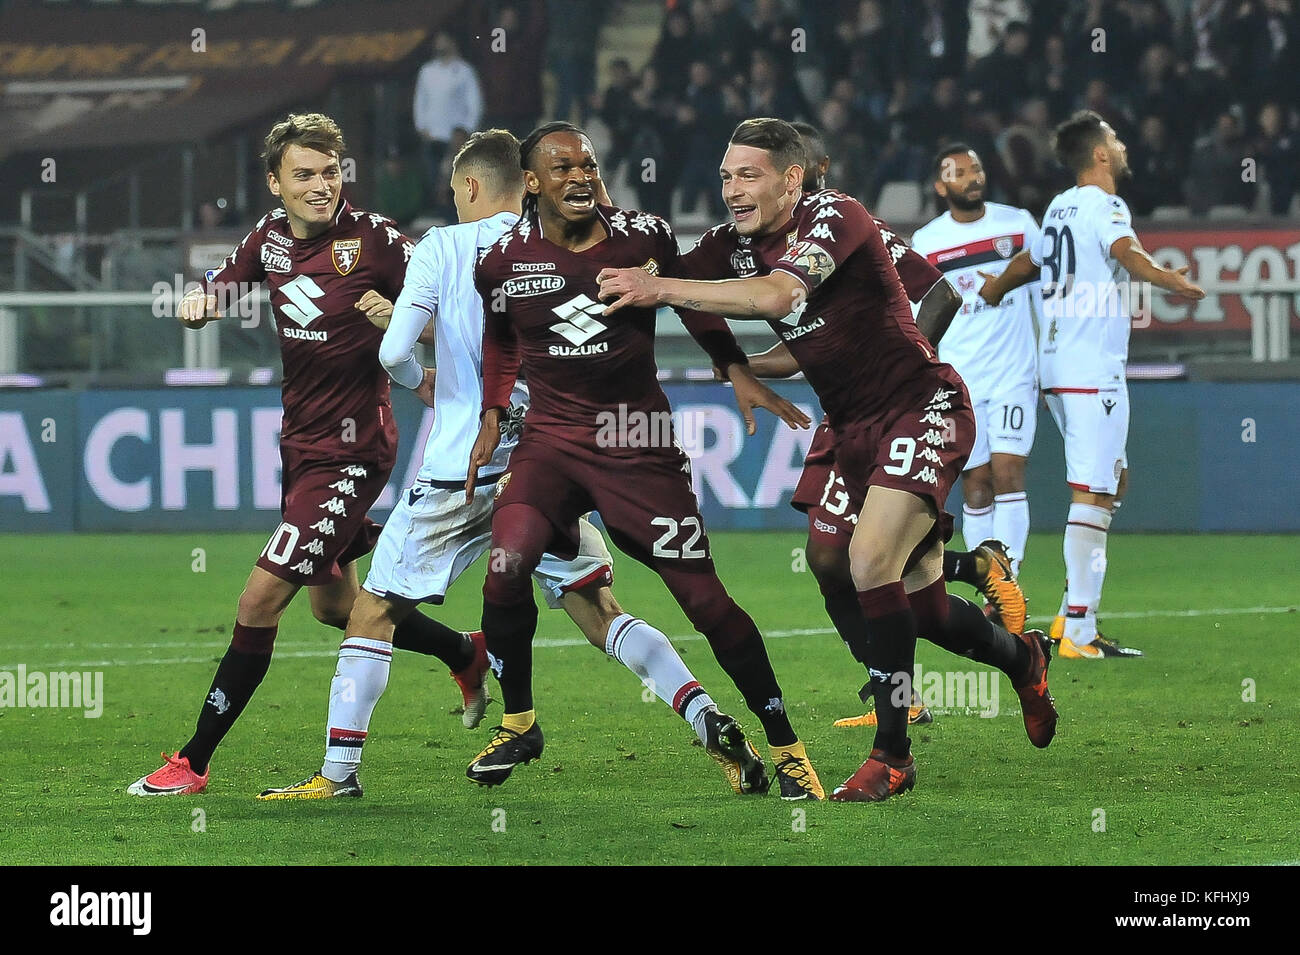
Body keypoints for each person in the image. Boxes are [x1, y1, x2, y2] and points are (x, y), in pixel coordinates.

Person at [257, 130, 761, 799]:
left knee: (371, 610)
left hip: (462, 463)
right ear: (525, 181)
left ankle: (338, 773)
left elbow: (393, 351)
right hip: (550, 459)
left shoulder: (444, 246)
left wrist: (421, 379)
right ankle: (707, 715)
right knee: (597, 606)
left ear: (468, 186)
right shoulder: (555, 236)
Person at [596, 118, 1057, 802]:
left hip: (918, 405)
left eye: (748, 175)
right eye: (725, 176)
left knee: (872, 561)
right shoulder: (731, 245)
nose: (732, 189)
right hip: (848, 427)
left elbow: (778, 297)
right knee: (901, 596)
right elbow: (690, 283)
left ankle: (892, 755)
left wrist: (660, 289)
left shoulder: (838, 215)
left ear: (791, 178)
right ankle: (1024, 658)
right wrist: (733, 366)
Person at [464, 122, 826, 800]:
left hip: (637, 445)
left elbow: (693, 303)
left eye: (589, 164)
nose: (579, 177)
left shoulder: (646, 236)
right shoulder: (502, 259)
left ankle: (787, 746)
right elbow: (499, 337)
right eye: (562, 167)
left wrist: (734, 368)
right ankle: (519, 720)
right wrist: (491, 411)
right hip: (550, 441)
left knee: (705, 601)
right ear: (532, 183)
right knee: (506, 564)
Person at [128, 113, 472, 796]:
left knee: (259, 599)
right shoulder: (269, 238)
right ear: (275, 183)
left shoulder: (377, 241)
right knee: (335, 608)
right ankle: (466, 649)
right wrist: (198, 302)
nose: (322, 186)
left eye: (331, 172)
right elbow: (219, 285)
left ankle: (192, 760)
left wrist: (407, 323)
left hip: (355, 450)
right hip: (301, 447)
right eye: (306, 175)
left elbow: (457, 319)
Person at [744, 124, 1025, 732]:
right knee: (827, 558)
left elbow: (943, 293)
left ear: (809, 170)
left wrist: (891, 363)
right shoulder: (771, 246)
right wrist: (743, 366)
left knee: (876, 564)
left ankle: (906, 707)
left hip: (896, 404)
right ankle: (954, 601)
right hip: (843, 415)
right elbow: (811, 344)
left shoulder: (851, 226)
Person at [978, 110, 1205, 658]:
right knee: (1095, 491)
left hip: (1056, 365)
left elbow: (1031, 261)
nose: (1123, 146)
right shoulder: (1107, 206)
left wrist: (993, 289)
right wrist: (1166, 277)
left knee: (1112, 481)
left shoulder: (1059, 206)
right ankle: (1078, 627)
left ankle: (1071, 616)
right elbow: (1126, 252)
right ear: (1100, 153)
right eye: (1116, 139)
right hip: (1089, 368)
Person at [910, 144, 1040, 580]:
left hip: (1014, 372)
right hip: (961, 379)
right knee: (976, 482)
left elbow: (1048, 287)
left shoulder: (1018, 225)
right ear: (941, 185)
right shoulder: (928, 242)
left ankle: (1010, 578)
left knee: (1008, 471)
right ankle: (989, 578)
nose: (973, 178)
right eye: (960, 172)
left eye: (977, 169)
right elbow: (919, 317)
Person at [413, 32, 483, 216]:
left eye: (443, 40)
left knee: (454, 183)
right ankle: (440, 217)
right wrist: (421, 126)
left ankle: (455, 218)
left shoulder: (465, 71)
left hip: (455, 138)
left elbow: (474, 103)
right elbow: (420, 100)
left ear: (453, 42)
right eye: (437, 41)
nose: (439, 44)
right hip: (432, 136)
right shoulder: (427, 71)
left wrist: (467, 130)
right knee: (433, 181)